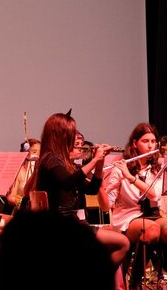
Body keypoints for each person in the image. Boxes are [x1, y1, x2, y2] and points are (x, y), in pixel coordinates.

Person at [28, 111, 129, 267]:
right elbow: (67, 182)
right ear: (61, 136)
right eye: (71, 134)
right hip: (60, 225)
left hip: (71, 223)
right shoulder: (50, 159)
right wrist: (94, 159)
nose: (74, 139)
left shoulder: (66, 163)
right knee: (121, 243)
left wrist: (99, 164)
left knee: (121, 244)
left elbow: (92, 190)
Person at [101, 123, 167, 290]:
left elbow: (154, 194)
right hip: (128, 217)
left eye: (153, 141)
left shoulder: (158, 166)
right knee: (152, 230)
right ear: (135, 143)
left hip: (153, 214)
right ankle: (135, 282)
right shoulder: (121, 168)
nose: (150, 145)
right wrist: (102, 188)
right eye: (145, 141)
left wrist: (130, 178)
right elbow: (107, 204)